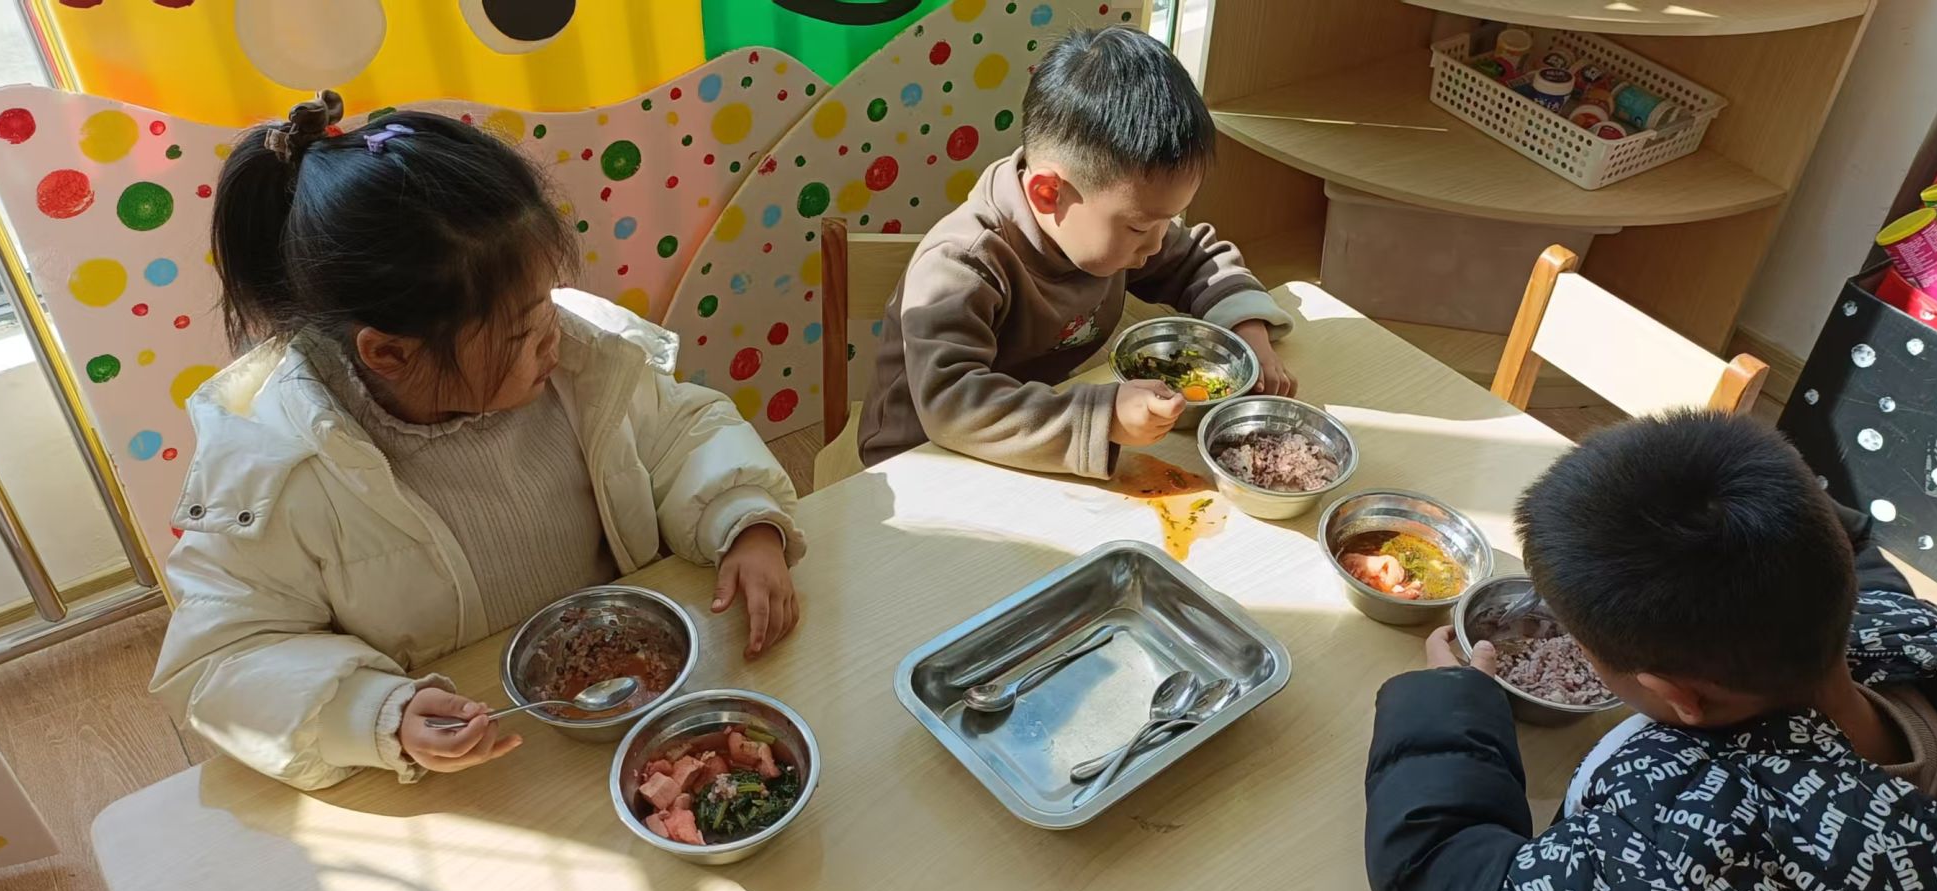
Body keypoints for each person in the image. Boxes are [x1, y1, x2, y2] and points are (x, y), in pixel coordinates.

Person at [151, 93, 806, 792]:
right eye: (522, 331)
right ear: (390, 354)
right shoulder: (275, 468)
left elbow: (682, 431)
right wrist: (376, 712)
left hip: (634, 709)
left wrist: (743, 519)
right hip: (478, 763)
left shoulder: (578, 365)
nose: (553, 338)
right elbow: (221, 660)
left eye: (547, 303)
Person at [1364, 411, 1937, 891]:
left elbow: (1451, 885)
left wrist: (1448, 706)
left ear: (1682, 699)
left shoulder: (1682, 853)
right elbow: (1854, 548)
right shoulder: (1916, 631)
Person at [856, 26, 1297, 476]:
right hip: (919, 460)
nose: (1158, 243)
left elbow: (1197, 259)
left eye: (1169, 220)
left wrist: (1247, 333)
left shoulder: (1104, 222)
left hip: (1039, 431)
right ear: (1049, 194)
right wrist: (1103, 417)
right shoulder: (961, 264)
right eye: (1141, 226)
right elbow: (950, 406)